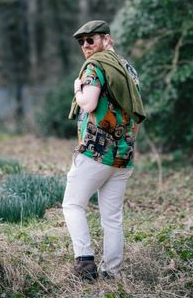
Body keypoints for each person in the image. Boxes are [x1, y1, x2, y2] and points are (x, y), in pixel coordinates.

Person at [62, 20, 146, 280]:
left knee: (72, 204)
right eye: (82, 43)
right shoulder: (127, 68)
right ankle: (113, 272)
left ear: (106, 39)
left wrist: (77, 87)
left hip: (96, 152)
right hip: (124, 154)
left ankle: (85, 263)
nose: (86, 46)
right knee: (112, 217)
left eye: (91, 40)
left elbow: (88, 104)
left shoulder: (95, 66)